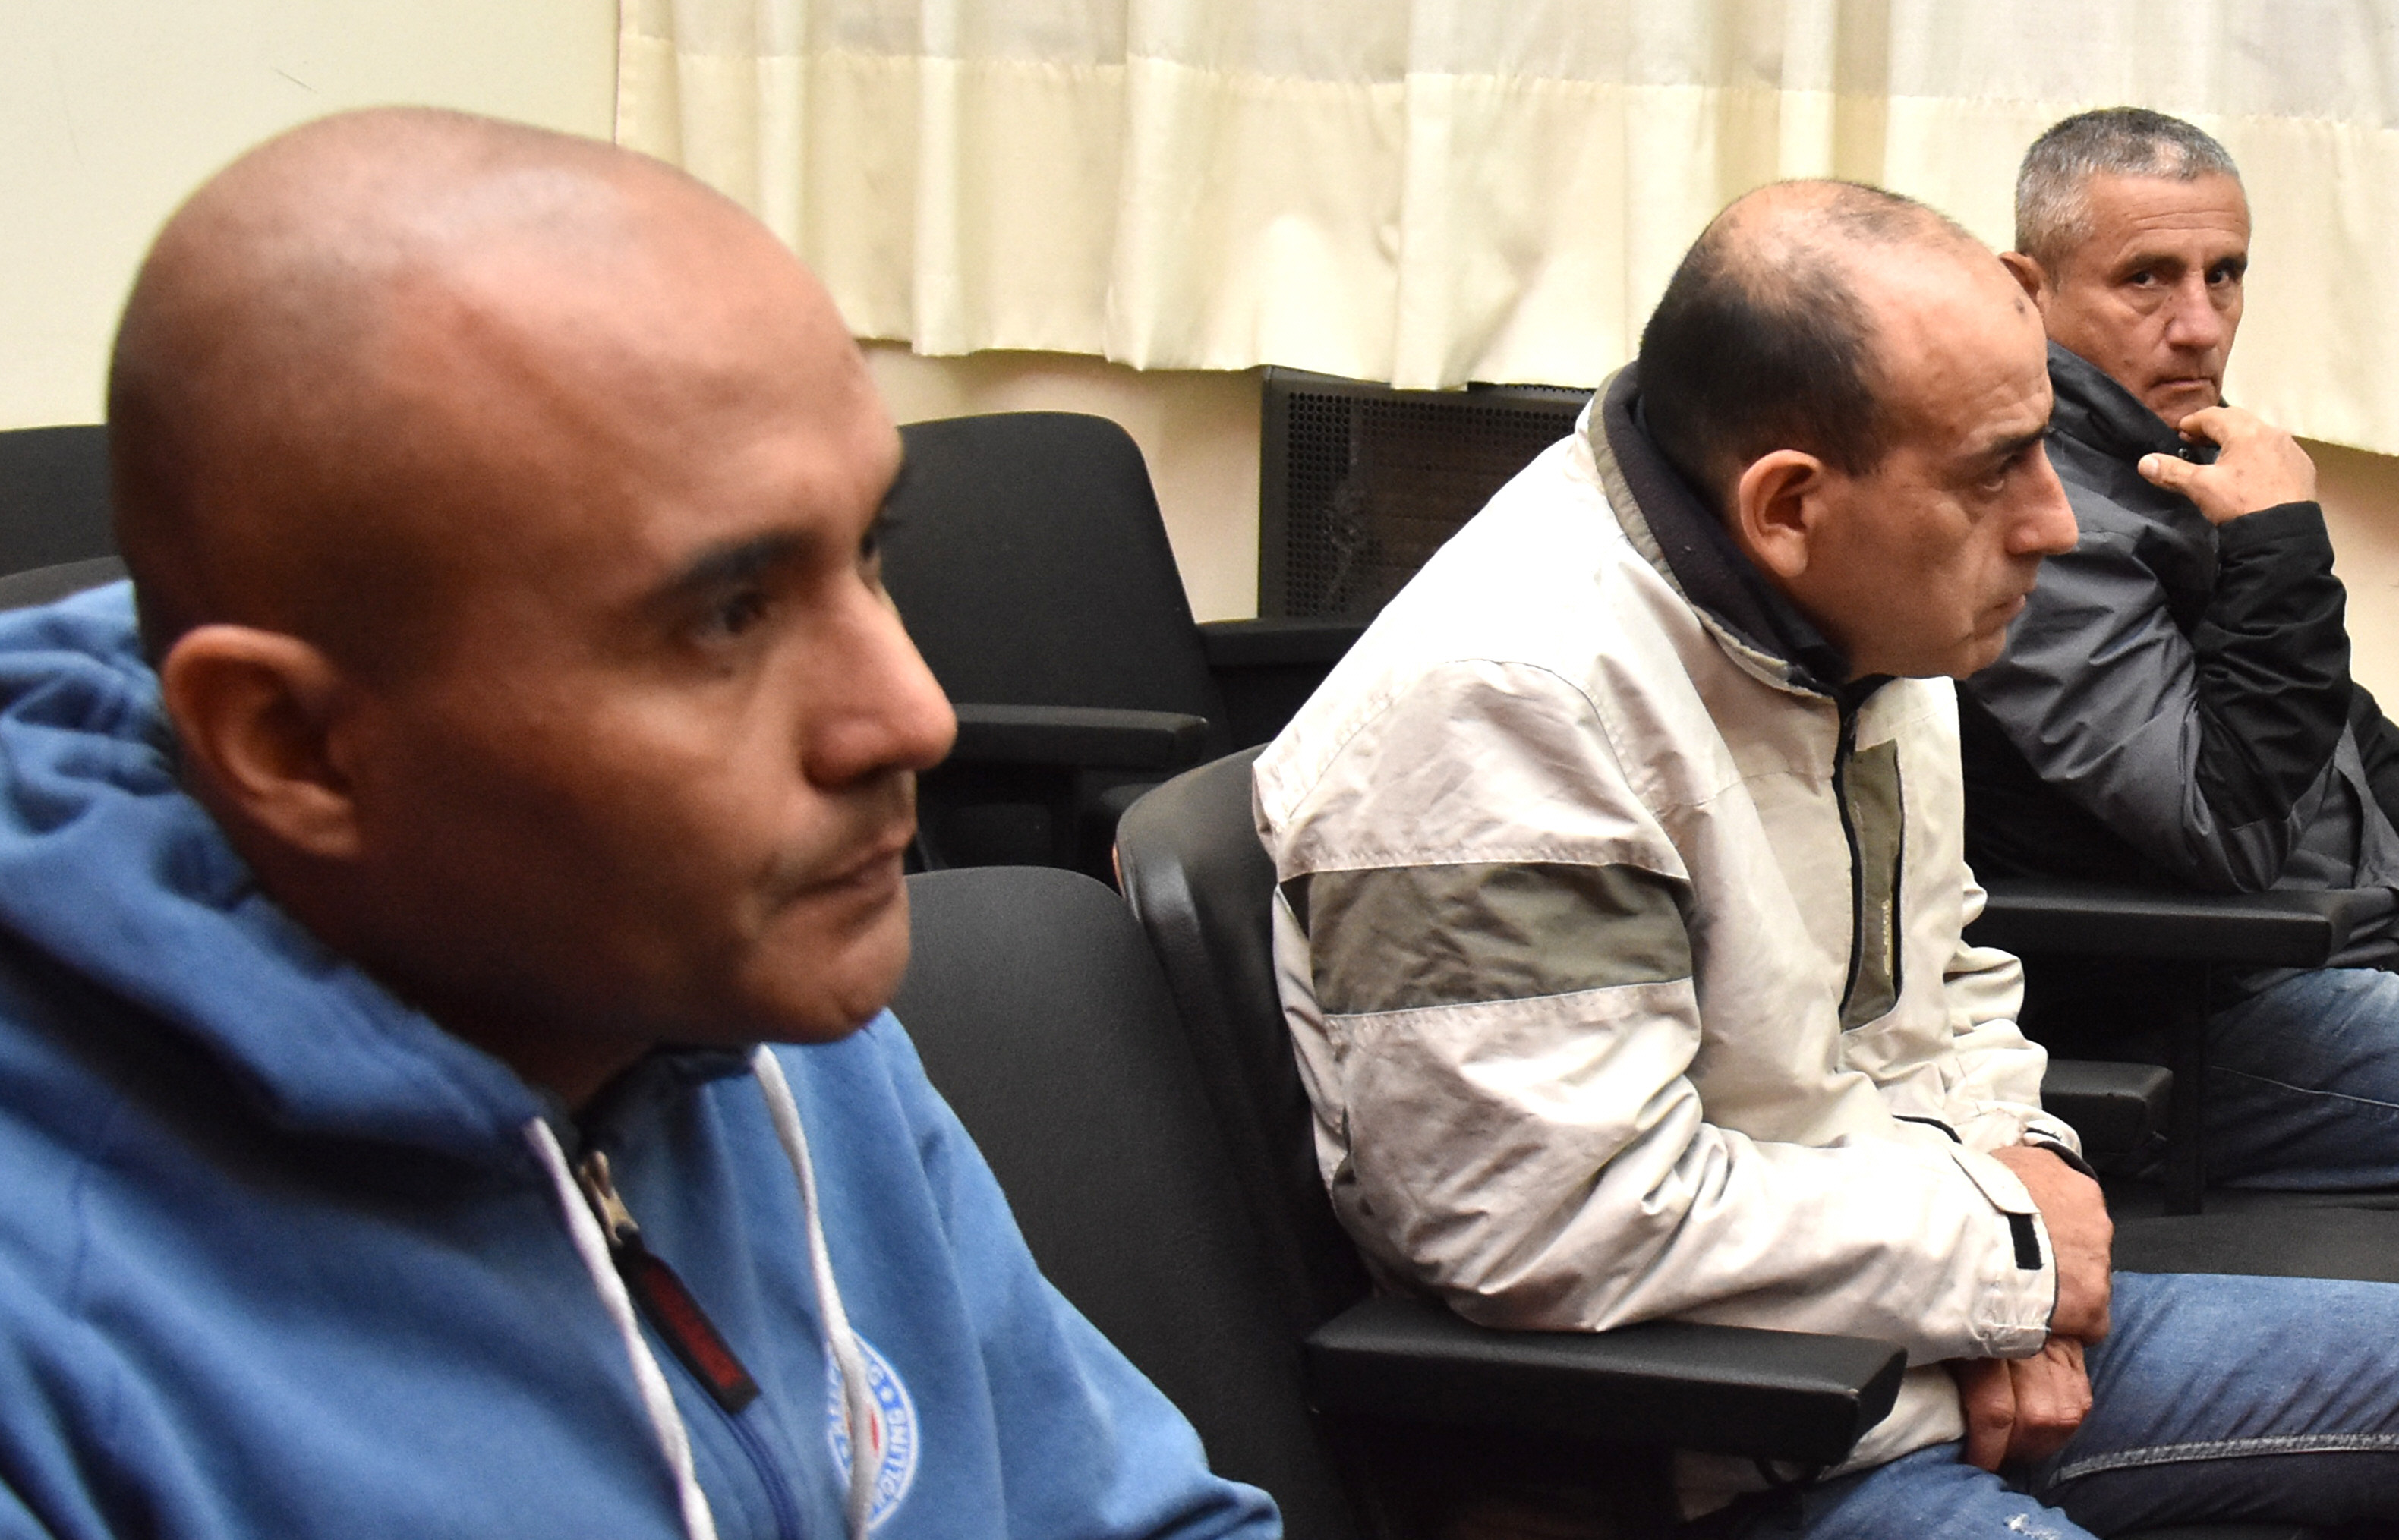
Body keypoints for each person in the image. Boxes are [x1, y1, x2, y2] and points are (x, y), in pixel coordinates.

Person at [0, 108, 1277, 1540]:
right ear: (293, 746)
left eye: (868, 551)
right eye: (727, 615)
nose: (912, 714)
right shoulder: (51, 1341)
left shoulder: (750, 997)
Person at [1255, 178, 2399, 1537]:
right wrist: (2007, 1261)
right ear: (1789, 503)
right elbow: (1553, 1223)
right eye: (1997, 470)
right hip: (1727, 1443)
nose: (2055, 522)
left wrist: (2015, 1224)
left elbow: (1951, 975)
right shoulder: (1503, 706)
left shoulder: (1862, 605)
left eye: (2045, 448)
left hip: (1922, 1317)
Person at [1959, 106, 2399, 1189]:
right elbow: (2225, 824)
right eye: (2147, 278)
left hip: (2340, 947)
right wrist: (2279, 544)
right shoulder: (2037, 513)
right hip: (2206, 1016)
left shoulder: (2176, 456)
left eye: (2224, 275)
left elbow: (2345, 746)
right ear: (2028, 290)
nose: (2199, 325)